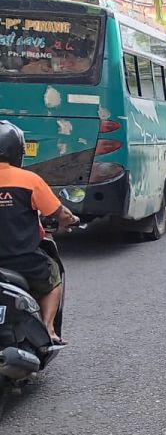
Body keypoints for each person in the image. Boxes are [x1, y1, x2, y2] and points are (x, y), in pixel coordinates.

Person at [0, 121, 80, 343]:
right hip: (23, 261)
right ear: (17, 150)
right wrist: (70, 219)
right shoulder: (28, 180)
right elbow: (58, 212)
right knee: (53, 277)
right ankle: (48, 329)